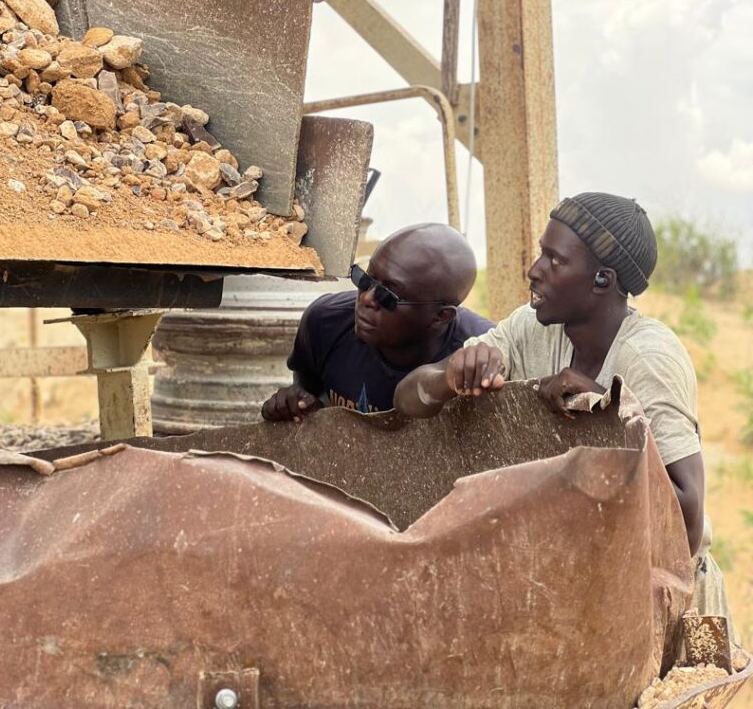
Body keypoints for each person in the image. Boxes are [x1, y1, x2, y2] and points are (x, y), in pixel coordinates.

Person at [394, 192, 730, 622]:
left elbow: (687, 525)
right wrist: (450, 374)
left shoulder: (648, 359)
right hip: (589, 586)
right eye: (542, 253)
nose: (535, 270)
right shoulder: (531, 328)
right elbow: (407, 400)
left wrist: (608, 413)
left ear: (602, 280)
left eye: (555, 260)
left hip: (667, 601)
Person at [261, 223, 493, 422]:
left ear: (441, 316)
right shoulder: (326, 322)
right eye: (364, 280)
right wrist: (297, 403)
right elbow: (307, 389)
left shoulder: (477, 356)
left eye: (387, 296)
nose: (366, 298)